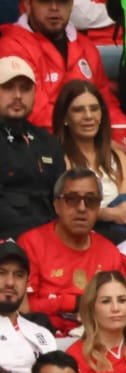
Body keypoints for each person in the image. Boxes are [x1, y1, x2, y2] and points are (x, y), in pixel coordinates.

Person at [18, 167, 126, 335]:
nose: (82, 208)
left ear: (98, 206)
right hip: (44, 338)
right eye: (72, 199)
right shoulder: (31, 243)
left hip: (96, 338)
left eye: (90, 200)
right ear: (57, 205)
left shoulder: (109, 252)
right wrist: (73, 302)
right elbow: (24, 307)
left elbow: (122, 310)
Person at [0, 0, 126, 145]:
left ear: (71, 5)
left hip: (87, 140)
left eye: (62, 2)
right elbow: (34, 113)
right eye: (45, 2)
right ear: (27, 4)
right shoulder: (11, 47)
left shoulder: (86, 46)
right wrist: (90, 135)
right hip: (37, 147)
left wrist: (122, 131)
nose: (54, 8)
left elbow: (105, 101)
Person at [50, 79, 126, 238]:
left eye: (94, 109)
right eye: (78, 110)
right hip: (86, 230)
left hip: (122, 227)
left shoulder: (117, 155)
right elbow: (68, 209)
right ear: (65, 118)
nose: (88, 116)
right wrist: (110, 214)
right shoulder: (59, 157)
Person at [0, 57, 64, 240]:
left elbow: (61, 198)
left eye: (25, 88)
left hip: (49, 238)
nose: (18, 96)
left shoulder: (48, 142)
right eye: (8, 87)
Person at [0, 239, 56, 373]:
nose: (10, 282)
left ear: (27, 282)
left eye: (19, 275)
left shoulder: (42, 334)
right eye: (1, 273)